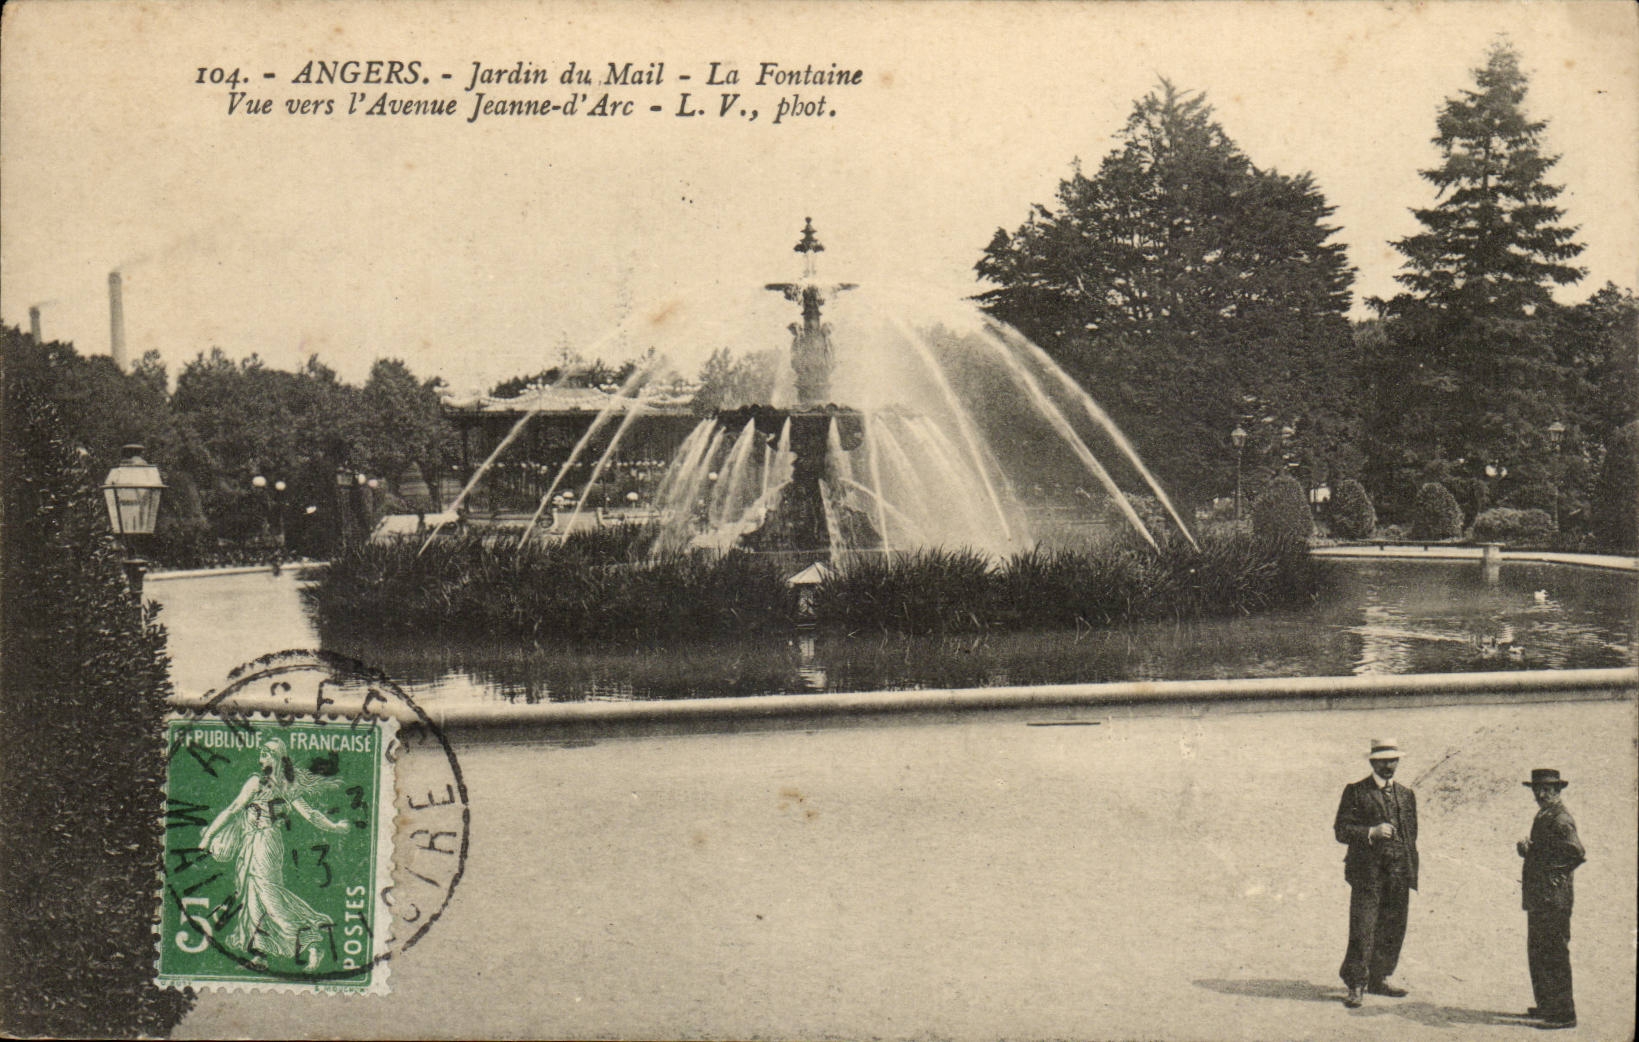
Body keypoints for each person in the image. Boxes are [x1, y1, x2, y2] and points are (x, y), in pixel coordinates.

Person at [199, 737, 350, 972]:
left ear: (278, 758)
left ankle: (312, 942)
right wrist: (208, 836)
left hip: (266, 843)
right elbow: (233, 809)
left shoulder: (284, 786)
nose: (263, 757)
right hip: (251, 843)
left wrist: (335, 827)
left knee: (270, 896)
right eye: (262, 753)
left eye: (267, 753)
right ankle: (260, 955)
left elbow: (310, 814)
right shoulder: (258, 782)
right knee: (252, 898)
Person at [1332, 738, 1419, 1008]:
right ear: (1373, 762)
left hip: (1398, 872)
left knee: (1393, 927)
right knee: (1363, 928)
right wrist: (1371, 832)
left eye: (1394, 760)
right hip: (1367, 874)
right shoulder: (1356, 791)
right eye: (1384, 761)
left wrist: (1406, 866)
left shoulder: (1406, 794)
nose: (1390, 765)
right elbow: (1341, 830)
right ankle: (1356, 983)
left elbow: (1411, 834)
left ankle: (1378, 979)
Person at [1516, 768, 1585, 1030]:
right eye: (1537, 789)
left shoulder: (1560, 818)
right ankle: (1547, 1005)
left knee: (1554, 952)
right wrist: (1529, 851)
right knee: (1539, 950)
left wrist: (1553, 874)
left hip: (1553, 898)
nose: (1541, 794)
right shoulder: (1545, 814)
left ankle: (1564, 1014)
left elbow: (1575, 853)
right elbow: (1549, 850)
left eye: (1547, 789)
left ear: (1557, 791)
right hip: (1540, 896)